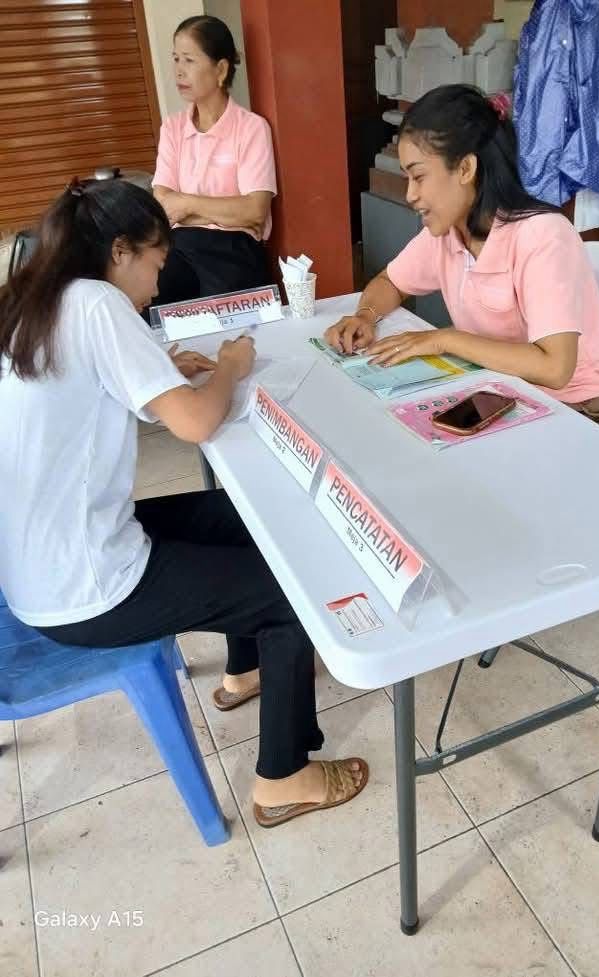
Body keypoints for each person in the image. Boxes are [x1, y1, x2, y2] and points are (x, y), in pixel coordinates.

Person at [0, 179, 367, 827]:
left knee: (244, 520)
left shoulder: (38, 301)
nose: (157, 285)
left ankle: (246, 670)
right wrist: (229, 366)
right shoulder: (97, 303)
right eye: (157, 262)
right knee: (291, 591)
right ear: (120, 251)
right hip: (87, 585)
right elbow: (196, 423)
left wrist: (164, 365)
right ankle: (284, 777)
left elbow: (92, 385)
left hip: (45, 562)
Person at [326, 84, 599, 425]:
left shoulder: (542, 235)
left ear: (466, 168)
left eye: (419, 176)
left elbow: (555, 369)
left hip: (571, 404)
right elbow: (390, 282)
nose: (410, 194)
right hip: (498, 385)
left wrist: (444, 339)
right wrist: (366, 315)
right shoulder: (448, 232)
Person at [150, 15, 276, 309]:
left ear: (220, 69)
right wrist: (223, 213)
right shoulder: (172, 128)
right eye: (176, 59)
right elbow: (163, 205)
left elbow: (254, 210)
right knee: (152, 296)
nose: (179, 71)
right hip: (180, 247)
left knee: (223, 314)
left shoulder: (251, 128)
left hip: (233, 250)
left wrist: (187, 205)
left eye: (189, 60)